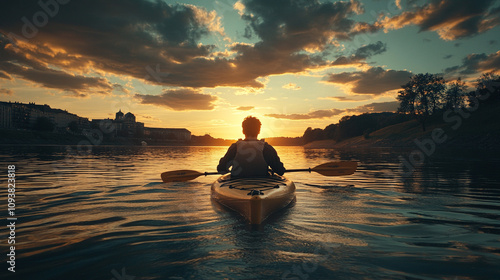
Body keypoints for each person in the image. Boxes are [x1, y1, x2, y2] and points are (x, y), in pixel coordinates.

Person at [217, 116, 285, 177]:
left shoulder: (235, 147)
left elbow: (221, 168)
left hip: (237, 184)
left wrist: (230, 173)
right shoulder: (267, 148)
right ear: (259, 131)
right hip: (262, 185)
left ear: (243, 131)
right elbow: (280, 171)